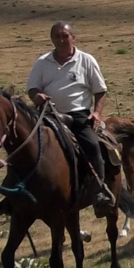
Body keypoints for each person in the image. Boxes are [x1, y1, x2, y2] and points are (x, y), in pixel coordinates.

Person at [24, 21, 112, 217]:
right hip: (47, 114)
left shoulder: (86, 60)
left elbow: (100, 90)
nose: (61, 40)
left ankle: (98, 192)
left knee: (92, 146)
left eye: (65, 36)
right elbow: (32, 88)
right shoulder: (42, 62)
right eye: (57, 36)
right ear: (52, 39)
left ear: (73, 37)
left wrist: (96, 113)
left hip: (77, 115)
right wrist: (37, 96)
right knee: (24, 144)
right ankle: (14, 192)